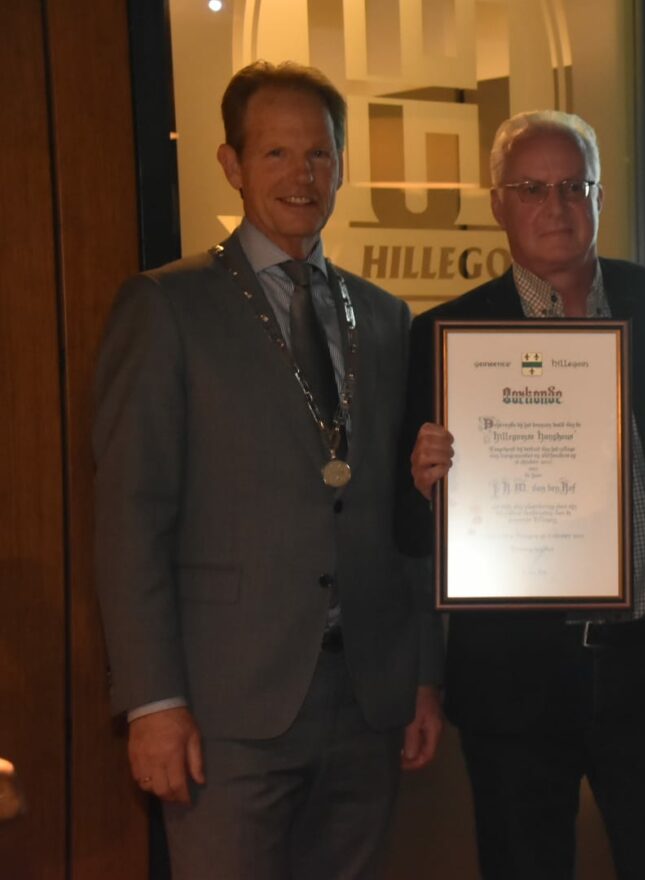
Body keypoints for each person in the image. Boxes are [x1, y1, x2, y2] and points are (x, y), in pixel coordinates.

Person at [93, 61, 443, 879]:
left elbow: (408, 515)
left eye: (318, 154)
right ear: (232, 164)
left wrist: (424, 675)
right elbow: (129, 516)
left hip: (368, 698)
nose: (301, 176)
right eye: (276, 153)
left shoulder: (385, 317)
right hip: (226, 709)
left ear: (342, 165)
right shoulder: (166, 306)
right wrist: (153, 702)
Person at [398, 110, 645, 880]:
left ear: (599, 196)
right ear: (498, 203)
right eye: (532, 188)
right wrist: (424, 484)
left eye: (574, 186)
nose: (556, 206)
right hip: (515, 682)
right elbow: (406, 530)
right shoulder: (446, 335)